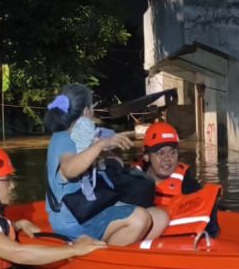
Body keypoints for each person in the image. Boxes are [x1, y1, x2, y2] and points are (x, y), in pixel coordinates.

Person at [44, 84, 169, 246]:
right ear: (85, 111)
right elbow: (68, 169)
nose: (93, 113)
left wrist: (106, 152)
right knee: (140, 218)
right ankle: (100, 256)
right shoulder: (62, 139)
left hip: (94, 209)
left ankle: (124, 253)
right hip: (73, 220)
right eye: (91, 108)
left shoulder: (85, 138)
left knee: (160, 218)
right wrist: (100, 145)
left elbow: (111, 166)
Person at [134, 122, 221, 237]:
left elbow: (207, 219)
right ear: (146, 156)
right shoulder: (131, 180)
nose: (167, 159)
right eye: (160, 153)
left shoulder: (189, 185)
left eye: (172, 152)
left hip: (175, 243)